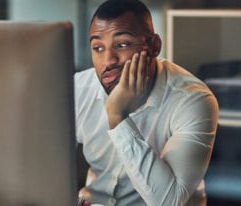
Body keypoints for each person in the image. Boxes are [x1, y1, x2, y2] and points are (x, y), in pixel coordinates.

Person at [74, 0, 219, 205]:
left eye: (122, 45)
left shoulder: (193, 99)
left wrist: (117, 116)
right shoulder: (78, 89)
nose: (108, 61)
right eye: (98, 48)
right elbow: (43, 165)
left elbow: (169, 201)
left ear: (154, 46)